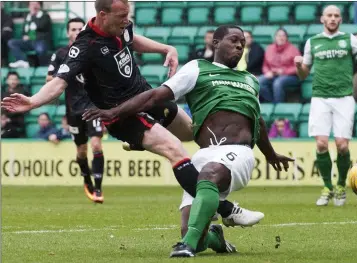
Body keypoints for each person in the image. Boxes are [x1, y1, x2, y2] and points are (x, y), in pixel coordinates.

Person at [2, 0, 263, 227]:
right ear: (103, 16)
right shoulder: (84, 46)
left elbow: (132, 40)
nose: (127, 20)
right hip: (122, 115)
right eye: (121, 16)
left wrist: (165, 48)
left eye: (128, 15)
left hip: (145, 98)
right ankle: (226, 210)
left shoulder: (120, 26)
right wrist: (32, 102)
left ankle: (156, 152)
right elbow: (59, 83)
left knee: (195, 132)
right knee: (174, 149)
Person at [82, 25, 294, 258]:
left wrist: (270, 154)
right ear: (215, 43)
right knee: (191, 229)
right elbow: (155, 96)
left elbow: (258, 121)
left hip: (238, 153)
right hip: (205, 153)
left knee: (209, 175)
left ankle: (187, 247)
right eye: (234, 40)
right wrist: (116, 113)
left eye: (242, 42)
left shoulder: (251, 79)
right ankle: (213, 238)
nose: (240, 45)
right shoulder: (197, 69)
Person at [294, 5, 357, 207]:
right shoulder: (313, 42)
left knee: (342, 145)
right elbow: (303, 75)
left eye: (336, 15)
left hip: (344, 97)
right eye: (329, 15)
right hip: (320, 97)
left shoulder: (349, 39)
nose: (333, 18)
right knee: (320, 144)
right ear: (322, 19)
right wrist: (298, 65)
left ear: (340, 20)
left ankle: (341, 186)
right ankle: (327, 187)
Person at [45, 17, 106, 203]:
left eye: (80, 28)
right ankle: (86, 179)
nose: (77, 31)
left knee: (96, 144)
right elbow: (49, 79)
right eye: (73, 29)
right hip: (73, 110)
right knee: (81, 151)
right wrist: (64, 76)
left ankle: (98, 189)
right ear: (67, 32)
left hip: (93, 106)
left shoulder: (94, 51)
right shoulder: (61, 53)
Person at [259, 28, 300, 103]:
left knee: (278, 83)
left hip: (290, 76)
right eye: (278, 36)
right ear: (275, 37)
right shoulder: (269, 48)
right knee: (259, 81)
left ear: (286, 38)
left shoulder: (293, 49)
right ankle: (272, 103)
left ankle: (278, 105)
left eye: (283, 36)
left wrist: (284, 71)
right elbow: (265, 65)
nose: (281, 38)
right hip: (273, 74)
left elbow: (298, 68)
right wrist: (267, 72)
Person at [8, 1, 52, 67]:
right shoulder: (27, 17)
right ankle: (23, 61)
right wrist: (24, 36)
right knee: (11, 42)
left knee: (40, 49)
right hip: (28, 42)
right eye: (32, 4)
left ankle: (41, 66)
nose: (34, 6)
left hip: (39, 41)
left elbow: (41, 26)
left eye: (36, 4)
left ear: (39, 6)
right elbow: (24, 31)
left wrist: (33, 16)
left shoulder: (45, 16)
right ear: (29, 7)